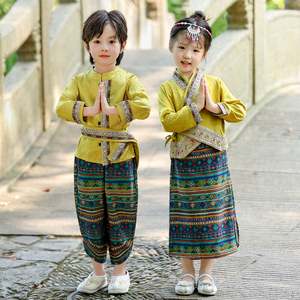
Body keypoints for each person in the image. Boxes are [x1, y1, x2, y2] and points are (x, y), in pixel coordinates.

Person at [56, 10, 151, 295]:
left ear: (122, 45)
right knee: (90, 213)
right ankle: (97, 272)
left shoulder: (128, 79)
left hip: (121, 157)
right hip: (87, 156)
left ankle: (120, 272)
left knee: (121, 212)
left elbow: (144, 106)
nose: (105, 48)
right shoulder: (79, 81)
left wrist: (114, 110)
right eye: (98, 41)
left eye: (112, 41)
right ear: (87, 45)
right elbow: (61, 106)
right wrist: (88, 110)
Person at [158, 11, 246, 296]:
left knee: (211, 216)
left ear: (204, 53)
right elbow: (168, 121)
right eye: (181, 47)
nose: (187, 54)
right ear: (171, 47)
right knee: (186, 216)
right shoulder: (167, 88)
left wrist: (213, 106)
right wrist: (195, 108)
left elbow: (239, 111)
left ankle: (206, 275)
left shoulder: (215, 83)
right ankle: (186, 273)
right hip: (185, 160)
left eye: (195, 50)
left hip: (212, 159)